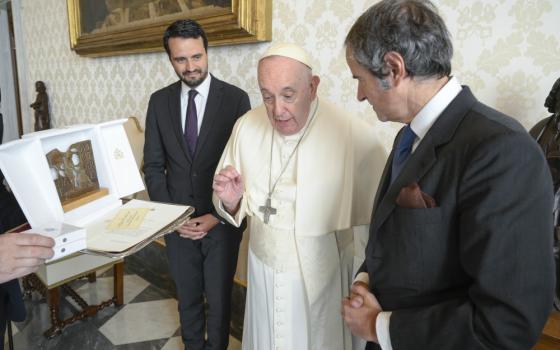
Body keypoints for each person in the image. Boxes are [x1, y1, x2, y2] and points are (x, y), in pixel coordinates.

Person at [341, 1, 556, 349]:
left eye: (360, 80)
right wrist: (366, 280)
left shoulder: (502, 150)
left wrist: (380, 327)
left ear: (393, 68)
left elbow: (507, 323)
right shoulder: (407, 137)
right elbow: (398, 237)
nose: (360, 94)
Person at [212, 43, 386, 350]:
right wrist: (231, 201)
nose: (277, 110)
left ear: (313, 86)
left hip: (321, 275)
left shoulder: (351, 133)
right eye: (267, 96)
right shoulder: (247, 126)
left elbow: (379, 222)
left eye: (288, 95)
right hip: (262, 267)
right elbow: (233, 204)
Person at [143, 19, 250, 350]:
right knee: (187, 300)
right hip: (178, 226)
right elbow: (154, 166)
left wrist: (217, 216)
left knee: (219, 305)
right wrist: (175, 220)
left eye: (196, 56)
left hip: (220, 225)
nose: (190, 67)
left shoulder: (235, 99)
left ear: (206, 52)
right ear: (170, 59)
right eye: (180, 59)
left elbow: (244, 169)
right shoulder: (159, 102)